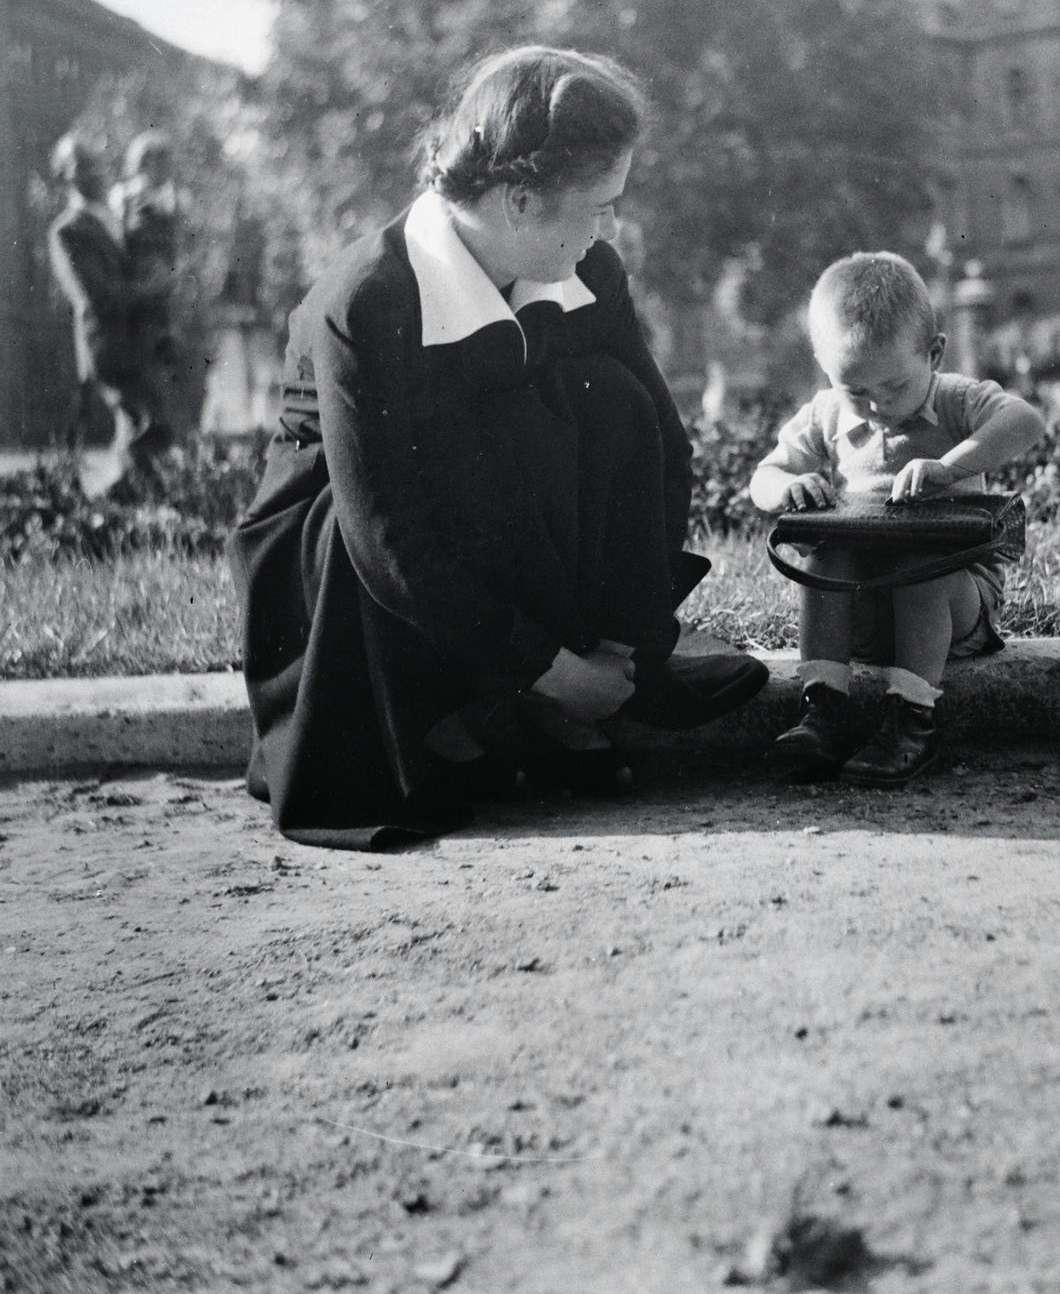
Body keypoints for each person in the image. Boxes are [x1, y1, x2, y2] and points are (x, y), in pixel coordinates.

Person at [229, 45, 766, 850]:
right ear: (519, 200)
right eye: (598, 206)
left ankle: (584, 696)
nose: (610, 229)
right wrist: (549, 667)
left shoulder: (590, 271)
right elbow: (387, 543)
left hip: (488, 537)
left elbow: (661, 443)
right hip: (349, 552)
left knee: (607, 402)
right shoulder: (370, 299)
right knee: (471, 442)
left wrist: (619, 644)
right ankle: (470, 707)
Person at [749, 252, 1046, 784]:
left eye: (894, 387)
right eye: (857, 391)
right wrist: (788, 486)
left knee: (921, 560)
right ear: (826, 366)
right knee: (827, 552)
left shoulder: (954, 399)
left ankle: (912, 718)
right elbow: (763, 477)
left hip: (954, 611)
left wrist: (948, 466)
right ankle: (824, 709)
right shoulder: (827, 415)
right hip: (866, 609)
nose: (877, 406)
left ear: (933, 353)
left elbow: (1025, 421)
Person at [46, 136, 166, 491]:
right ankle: (128, 505)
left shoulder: (113, 216)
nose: (94, 172)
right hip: (108, 346)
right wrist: (152, 288)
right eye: (81, 166)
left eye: (95, 163)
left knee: (141, 426)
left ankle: (133, 505)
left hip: (134, 340)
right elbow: (98, 296)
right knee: (144, 424)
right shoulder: (67, 230)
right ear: (65, 176)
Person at [112, 131, 182, 435]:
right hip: (136, 297)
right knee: (140, 380)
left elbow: (178, 248)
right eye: (159, 160)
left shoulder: (172, 199)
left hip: (164, 298)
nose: (166, 167)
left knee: (163, 374)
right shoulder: (124, 197)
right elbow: (116, 247)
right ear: (143, 162)